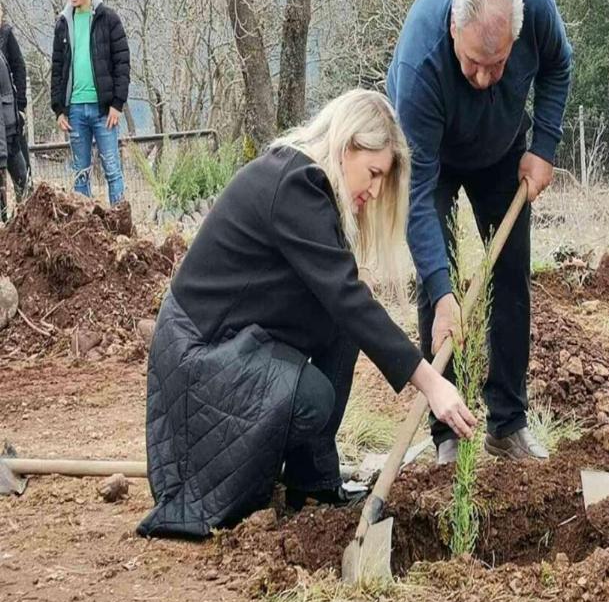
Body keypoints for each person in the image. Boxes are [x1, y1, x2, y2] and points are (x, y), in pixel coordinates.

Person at [138, 90, 476, 538]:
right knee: (313, 396)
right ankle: (268, 486)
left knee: (343, 325)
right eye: (373, 173)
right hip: (196, 362)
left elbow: (345, 303)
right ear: (346, 147)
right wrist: (432, 384)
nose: (374, 191)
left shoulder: (303, 185)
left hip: (229, 348)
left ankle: (312, 484)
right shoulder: (295, 184)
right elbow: (346, 297)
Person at [387, 0, 573, 464]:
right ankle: (447, 434)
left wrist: (545, 146)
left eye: (499, 64)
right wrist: (444, 292)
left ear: (516, 36)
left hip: (504, 146)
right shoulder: (419, 68)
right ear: (453, 29)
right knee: (437, 284)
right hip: (436, 159)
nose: (486, 77)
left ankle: (507, 425)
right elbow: (418, 198)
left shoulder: (534, 6)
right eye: (473, 63)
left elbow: (558, 65)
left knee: (510, 275)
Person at [50, 0, 130, 204]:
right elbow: (56, 68)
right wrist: (58, 108)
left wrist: (117, 103)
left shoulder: (108, 19)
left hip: (103, 110)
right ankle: (85, 229)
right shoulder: (64, 23)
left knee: (112, 169)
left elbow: (122, 62)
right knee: (80, 174)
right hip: (74, 110)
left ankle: (119, 224)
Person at [0, 4, 30, 211]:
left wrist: (20, 106)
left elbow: (19, 68)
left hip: (9, 122)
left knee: (22, 177)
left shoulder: (6, 36)